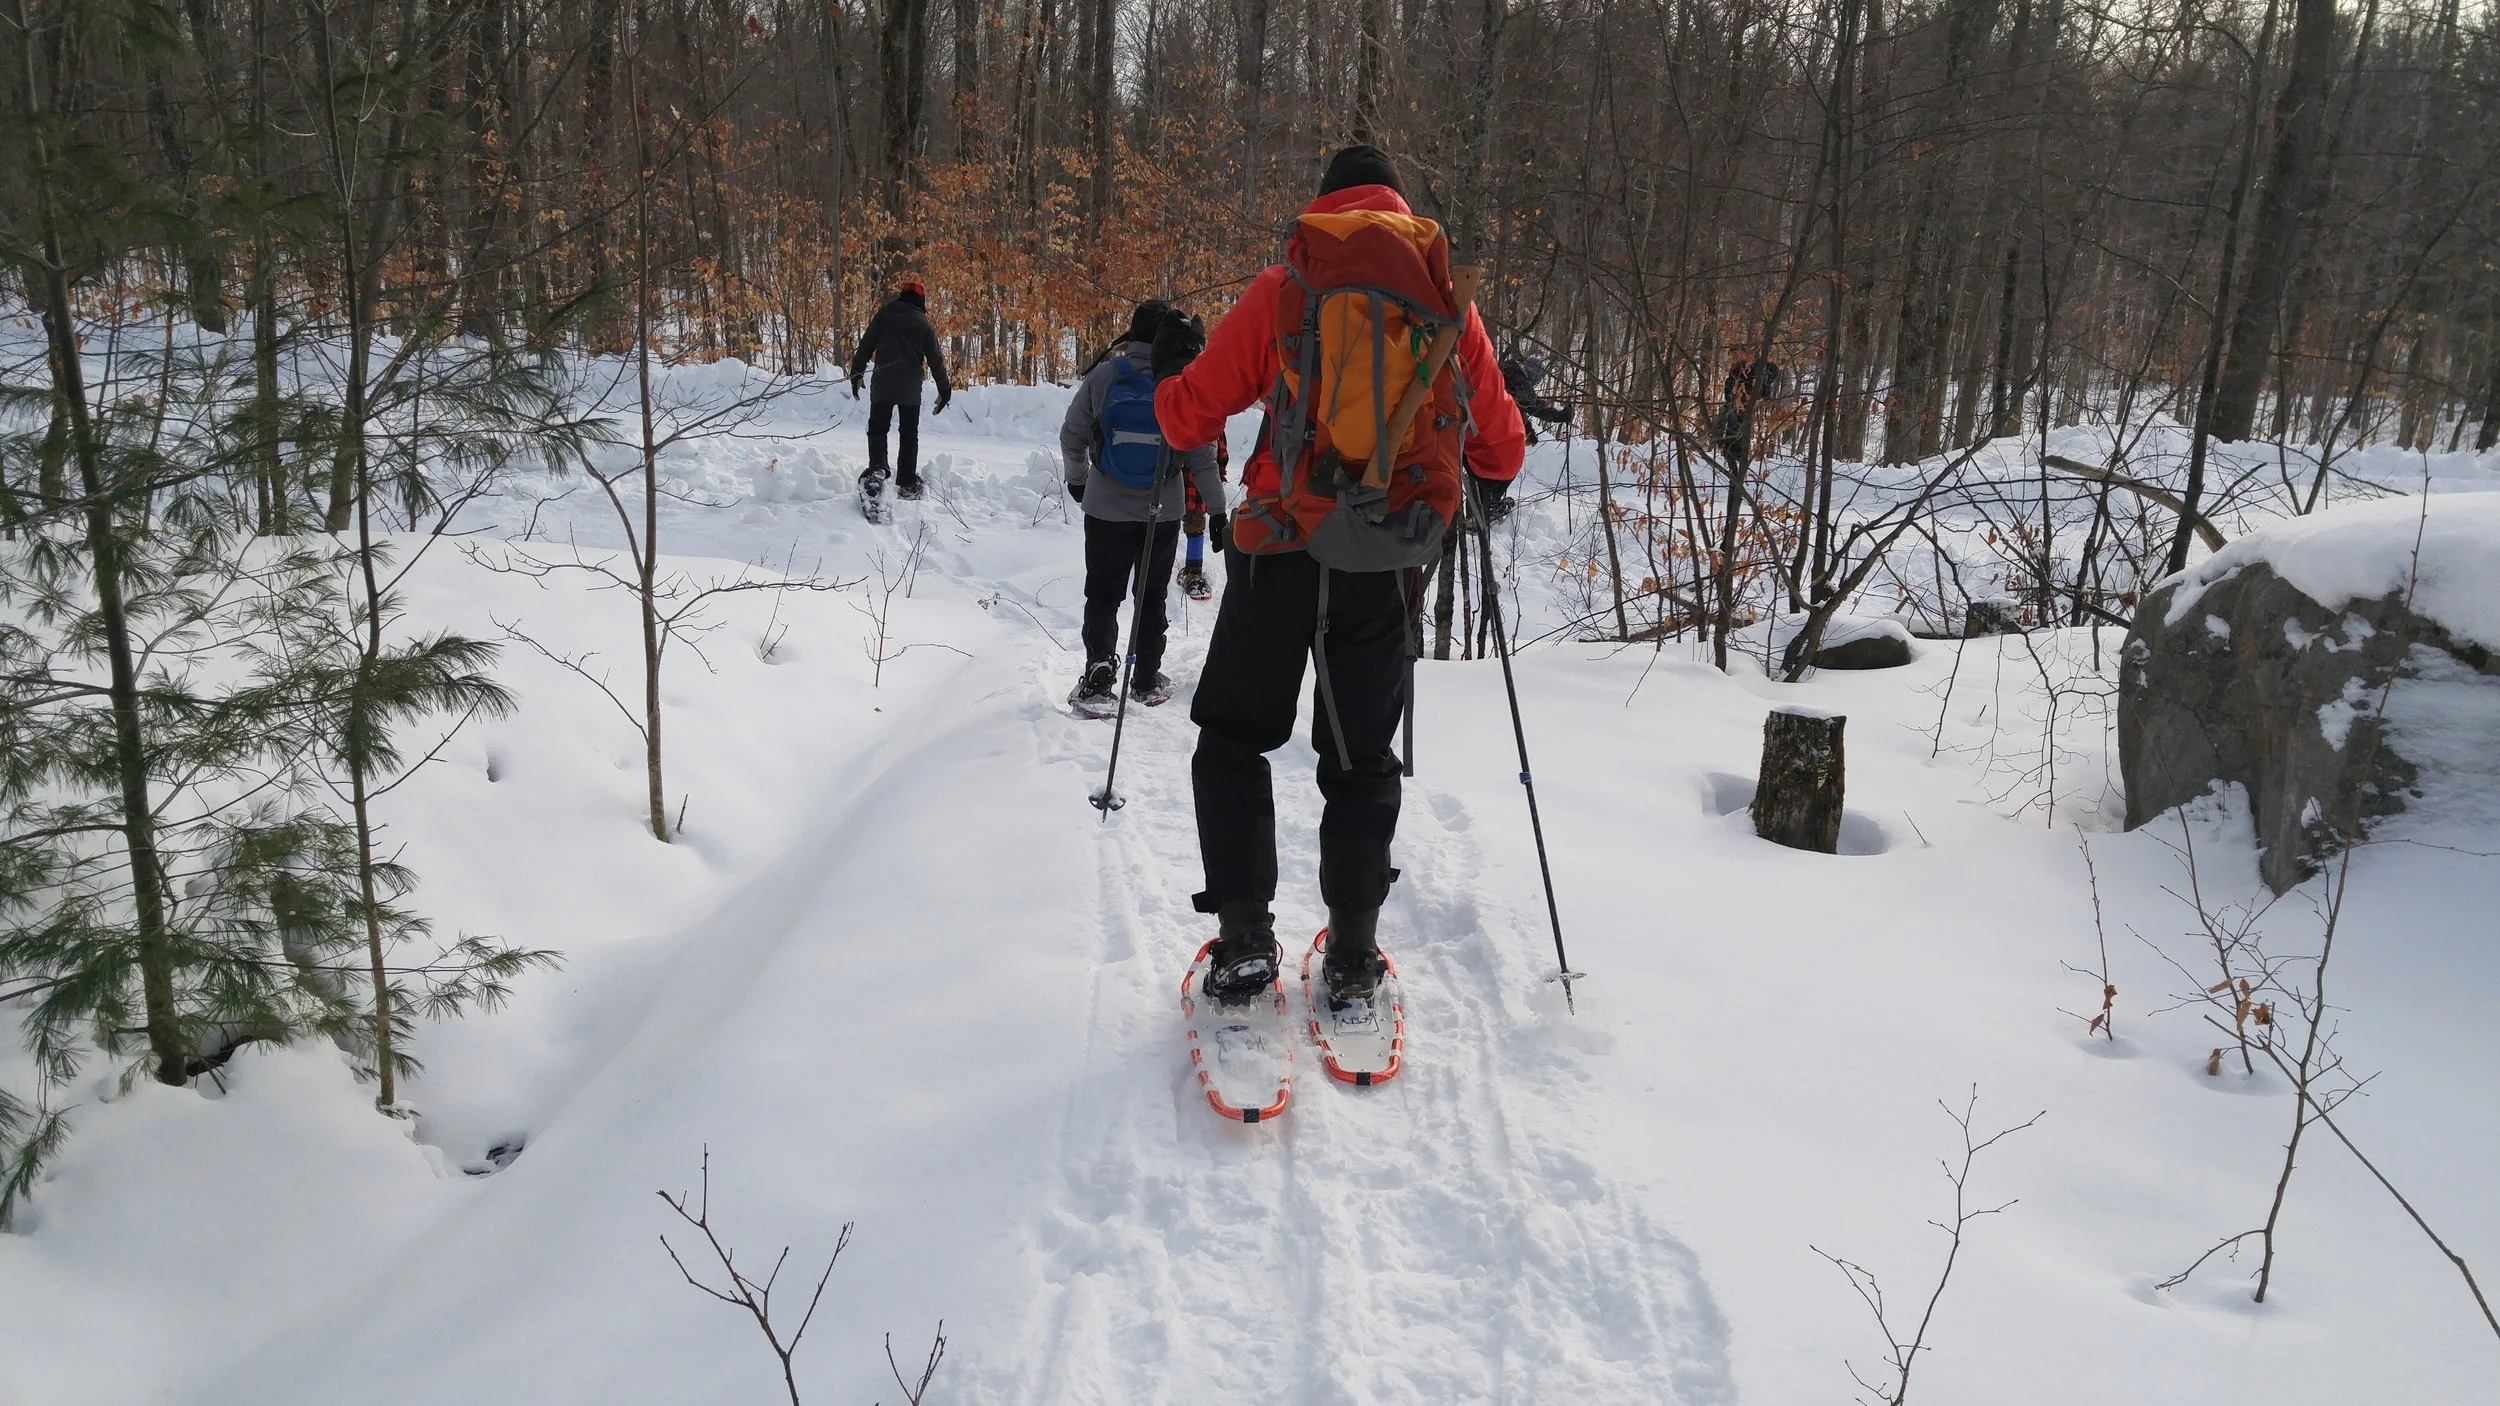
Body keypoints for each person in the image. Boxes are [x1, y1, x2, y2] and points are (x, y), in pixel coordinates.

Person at [1152, 144, 1526, 1007]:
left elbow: (1187, 418)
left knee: (1235, 737)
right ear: (1401, 209)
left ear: (1323, 211)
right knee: (1360, 759)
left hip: (1278, 550)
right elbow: (1501, 449)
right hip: (1384, 566)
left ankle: (1245, 936)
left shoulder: (1284, 289)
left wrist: (1169, 374)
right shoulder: (1444, 307)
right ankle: (1354, 953)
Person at [1060, 302, 1229, 716]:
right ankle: (1146, 678)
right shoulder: (1178, 384)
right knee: (1150, 594)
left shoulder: (1105, 376)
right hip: (1163, 509)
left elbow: (1072, 435)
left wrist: (1080, 481)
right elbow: (1201, 457)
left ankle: (1099, 678)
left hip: (1105, 507)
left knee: (1103, 592)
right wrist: (1218, 512)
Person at [848, 279, 953, 503]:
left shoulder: (883, 316)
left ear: (901, 296)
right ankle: (906, 481)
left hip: (883, 384)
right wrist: (945, 390)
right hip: (910, 389)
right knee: (908, 434)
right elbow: (936, 360)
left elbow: (866, 346)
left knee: (877, 429)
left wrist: (856, 373)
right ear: (920, 302)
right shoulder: (923, 324)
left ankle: (877, 470)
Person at [1177, 434, 1230, 600]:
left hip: (1173, 480)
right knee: (1195, 524)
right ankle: (1194, 573)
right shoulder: (1211, 418)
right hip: (1202, 483)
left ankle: (1150, 567)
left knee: (1164, 524)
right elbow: (1221, 454)